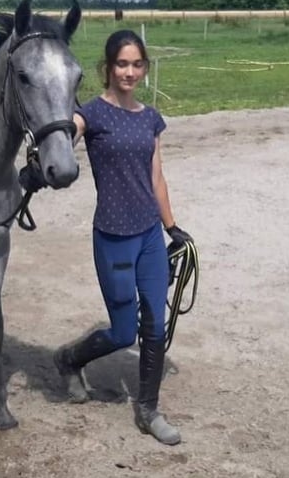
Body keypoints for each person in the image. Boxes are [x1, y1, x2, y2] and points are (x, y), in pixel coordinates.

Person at [52, 29, 193, 446]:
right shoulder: (91, 114)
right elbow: (64, 134)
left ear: (144, 68)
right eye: (121, 64)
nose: (129, 72)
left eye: (136, 64)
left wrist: (172, 227)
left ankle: (149, 411)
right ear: (108, 68)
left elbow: (157, 177)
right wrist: (41, 156)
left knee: (154, 326)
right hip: (113, 238)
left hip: (149, 234)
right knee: (121, 333)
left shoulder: (150, 117)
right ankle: (69, 359)